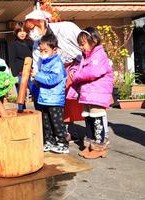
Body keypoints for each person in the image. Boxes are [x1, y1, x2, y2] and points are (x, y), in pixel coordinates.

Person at [25, 9, 88, 141]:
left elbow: (86, 42)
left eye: (32, 28)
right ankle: (67, 132)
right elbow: (37, 62)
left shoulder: (66, 27)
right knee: (62, 103)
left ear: (41, 22)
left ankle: (92, 134)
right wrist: (36, 78)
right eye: (29, 31)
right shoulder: (37, 43)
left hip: (81, 67)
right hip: (58, 73)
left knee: (87, 101)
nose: (31, 33)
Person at [67, 27, 113, 159]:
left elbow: (92, 72)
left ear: (94, 40)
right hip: (88, 93)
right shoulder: (85, 57)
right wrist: (74, 70)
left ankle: (99, 146)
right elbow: (79, 68)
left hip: (98, 93)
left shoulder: (99, 55)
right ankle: (90, 144)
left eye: (83, 44)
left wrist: (76, 75)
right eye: (80, 45)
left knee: (97, 117)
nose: (81, 47)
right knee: (88, 118)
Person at [32, 34, 69, 153]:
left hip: (54, 99)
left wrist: (37, 76)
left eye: (45, 50)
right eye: (41, 50)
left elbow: (52, 79)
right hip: (45, 98)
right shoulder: (45, 62)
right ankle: (50, 141)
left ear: (54, 50)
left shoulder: (57, 63)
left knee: (57, 123)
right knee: (46, 121)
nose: (43, 53)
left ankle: (63, 143)